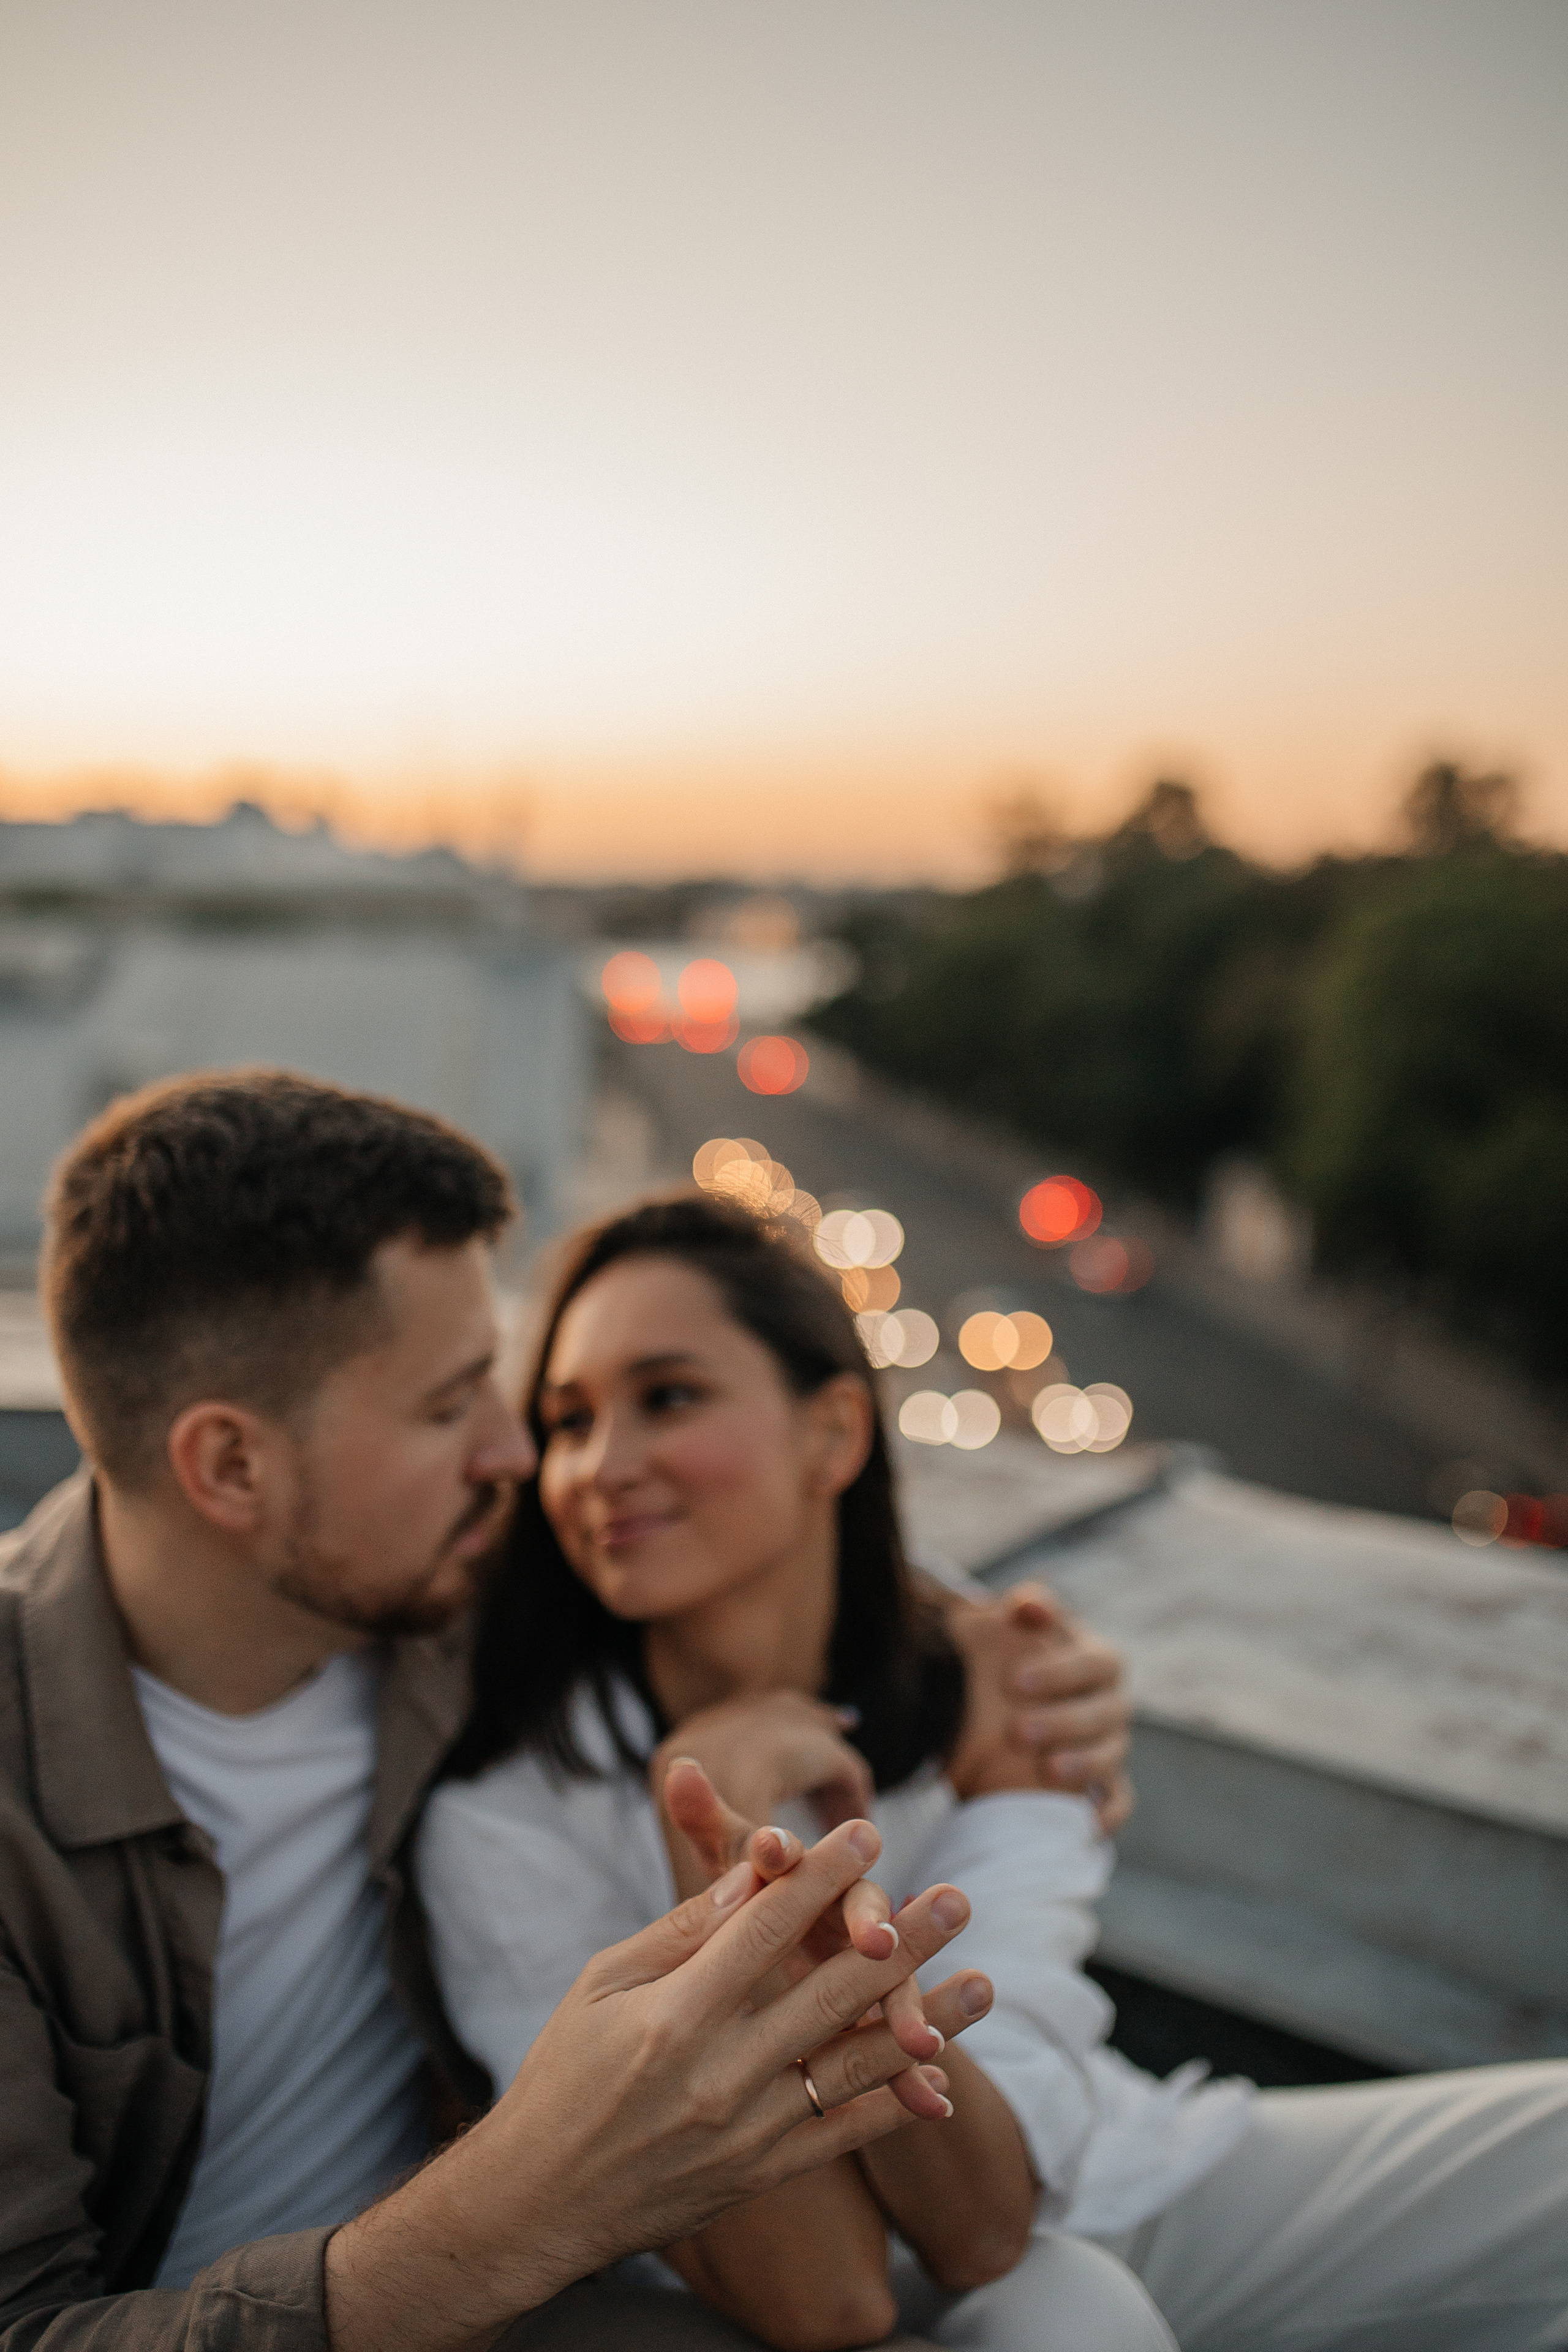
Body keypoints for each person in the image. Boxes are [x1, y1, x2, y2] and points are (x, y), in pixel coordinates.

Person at [0, 1070, 1126, 2352]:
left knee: (1067, 2308)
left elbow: (750, 1535)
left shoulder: (441, 1591)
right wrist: (511, 2211)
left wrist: (1000, 1655)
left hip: (537, 2309)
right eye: (447, 1408)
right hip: (382, 2306)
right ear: (230, 1465)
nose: (518, 1457)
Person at [418, 1191, 1568, 2352]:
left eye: (668, 1397)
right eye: (567, 1421)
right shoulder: (503, 1823)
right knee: (1070, 2313)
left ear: (834, 1433)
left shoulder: (992, 1674)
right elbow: (831, 2294)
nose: (601, 1466)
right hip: (861, 2291)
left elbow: (991, 2200)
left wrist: (809, 1910)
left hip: (1113, 2172)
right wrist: (730, 1861)